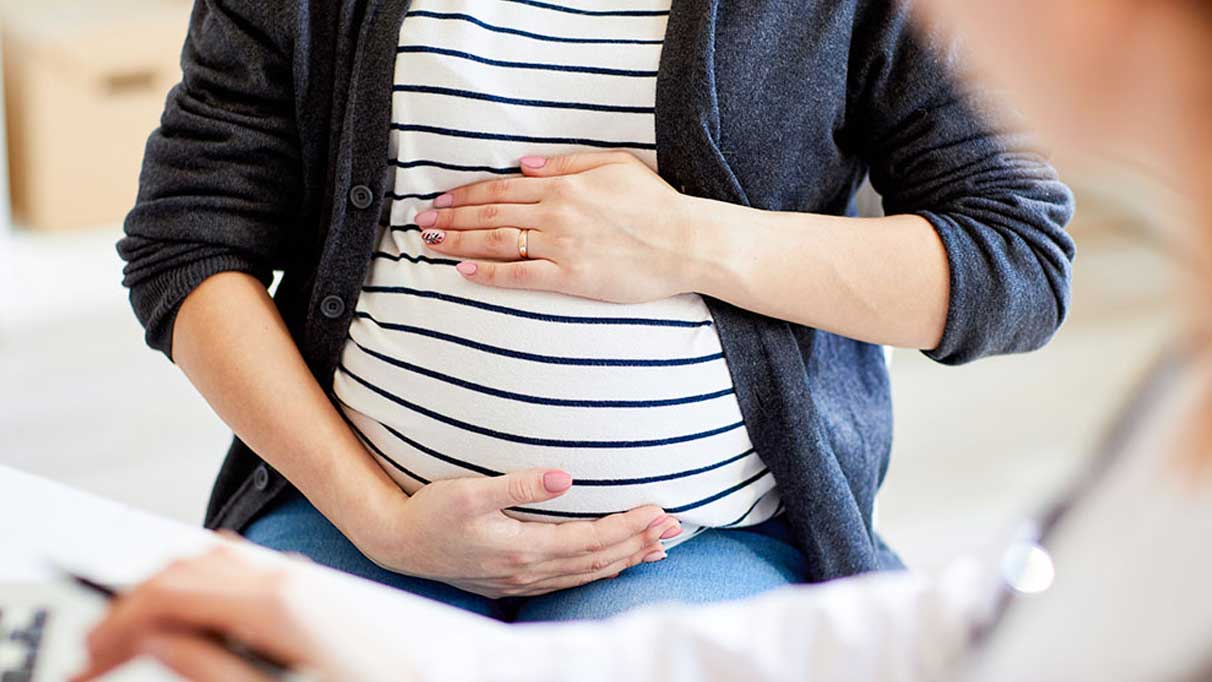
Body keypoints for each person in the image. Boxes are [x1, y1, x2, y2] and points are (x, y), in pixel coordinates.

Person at [76, 0, 1211, 680]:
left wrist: (686, 241)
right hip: (350, 517)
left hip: (702, 543)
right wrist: (380, 528)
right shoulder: (1167, 457)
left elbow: (1014, 260)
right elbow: (187, 240)